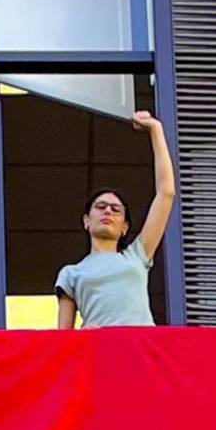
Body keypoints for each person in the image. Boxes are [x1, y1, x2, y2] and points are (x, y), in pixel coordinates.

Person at [55, 113, 175, 328]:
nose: (108, 211)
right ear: (86, 221)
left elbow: (166, 193)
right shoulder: (71, 273)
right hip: (99, 347)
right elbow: (63, 337)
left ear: (124, 227)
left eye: (116, 210)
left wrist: (155, 129)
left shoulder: (137, 255)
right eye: (100, 207)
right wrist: (81, 338)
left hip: (139, 345)